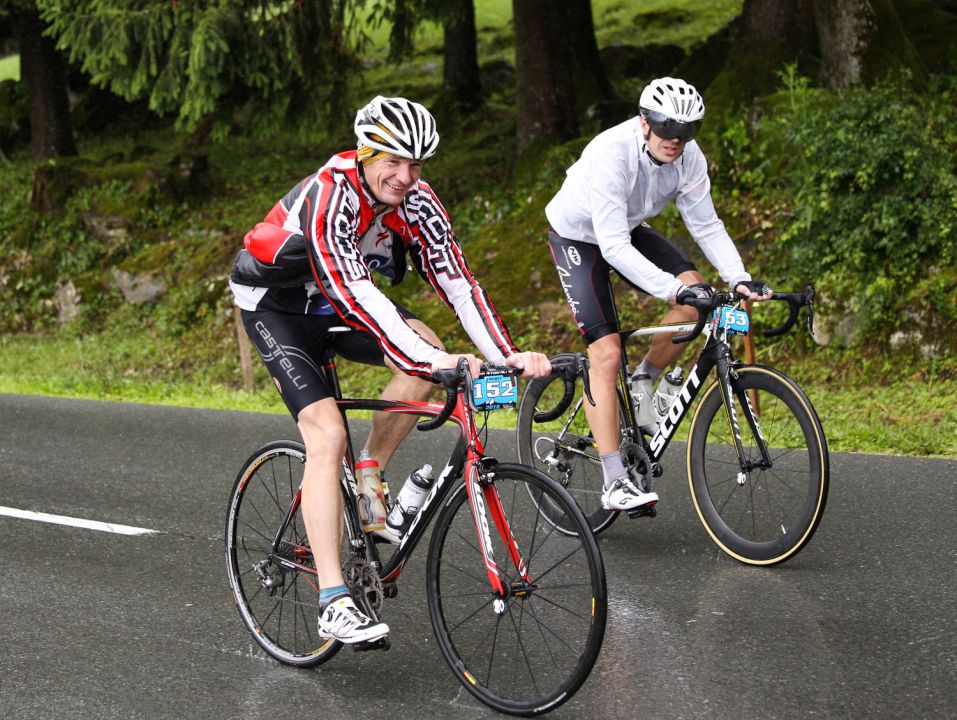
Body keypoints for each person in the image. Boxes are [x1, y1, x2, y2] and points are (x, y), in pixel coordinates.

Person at [229, 96, 551, 644]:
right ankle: (333, 598)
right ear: (365, 152)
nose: (405, 177)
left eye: (417, 166)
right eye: (393, 163)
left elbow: (457, 283)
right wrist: (437, 362)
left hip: (332, 306)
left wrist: (506, 354)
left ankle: (371, 472)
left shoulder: (418, 201)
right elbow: (357, 295)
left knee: (426, 341)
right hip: (277, 309)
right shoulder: (330, 196)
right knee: (327, 435)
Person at [544, 77, 772, 513]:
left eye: (687, 131)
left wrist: (738, 276)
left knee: (695, 297)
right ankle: (613, 480)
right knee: (607, 353)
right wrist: (674, 286)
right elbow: (611, 247)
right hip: (580, 236)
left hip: (626, 228)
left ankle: (644, 378)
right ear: (644, 122)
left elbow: (705, 223)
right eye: (667, 128)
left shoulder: (688, 158)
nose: (676, 139)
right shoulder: (614, 152)